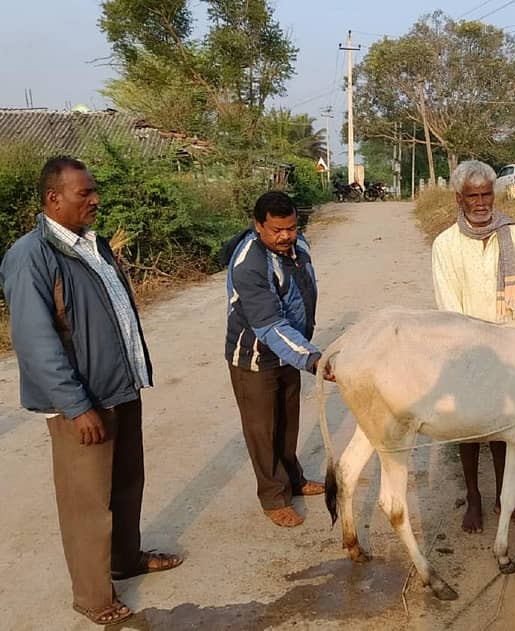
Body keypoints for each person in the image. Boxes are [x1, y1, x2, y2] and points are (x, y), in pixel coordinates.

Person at [0, 156, 183, 626]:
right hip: (81, 405)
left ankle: (125, 560)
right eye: (85, 193)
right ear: (53, 198)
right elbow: (36, 344)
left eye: (95, 190)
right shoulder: (30, 257)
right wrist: (77, 406)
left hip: (119, 390)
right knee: (87, 505)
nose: (96, 199)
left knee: (126, 487)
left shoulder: (91, 245)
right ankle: (93, 596)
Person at [432, 160, 515, 533]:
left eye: (486, 194)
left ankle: (502, 496)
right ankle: (474, 497)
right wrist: (468, 347)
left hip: (513, 344)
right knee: (468, 428)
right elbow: (449, 306)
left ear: (495, 193)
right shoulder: (445, 244)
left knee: (506, 429)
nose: (481, 202)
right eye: (473, 196)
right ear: (459, 199)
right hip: (468, 348)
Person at [223, 191, 328, 528]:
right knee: (263, 430)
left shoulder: (300, 248)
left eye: (292, 228)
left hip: (289, 352)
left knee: (287, 422)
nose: (286, 237)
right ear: (258, 226)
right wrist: (312, 360)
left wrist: (301, 352)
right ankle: (273, 496)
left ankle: (293, 479)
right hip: (255, 358)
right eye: (277, 230)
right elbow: (269, 325)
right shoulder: (249, 264)